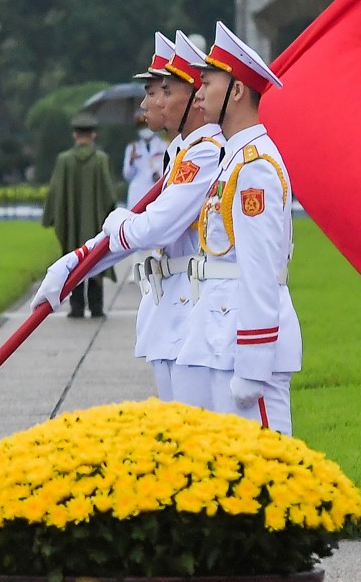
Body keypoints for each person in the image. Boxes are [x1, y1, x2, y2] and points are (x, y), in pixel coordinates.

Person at [34, 34, 223, 397]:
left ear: (191, 97)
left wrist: (117, 221)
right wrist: (73, 267)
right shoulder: (184, 152)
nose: (148, 103)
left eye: (159, 92)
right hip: (176, 304)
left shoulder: (205, 153)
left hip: (197, 307)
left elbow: (154, 229)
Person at [175, 23, 301, 434]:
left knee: (266, 474)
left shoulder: (254, 168)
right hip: (219, 332)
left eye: (207, 83)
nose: (198, 93)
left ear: (238, 91)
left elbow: (261, 270)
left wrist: (253, 361)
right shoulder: (234, 160)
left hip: (244, 341)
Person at [41, 111, 118, 318]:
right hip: (96, 222)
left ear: (75, 135)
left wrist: (49, 217)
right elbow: (109, 194)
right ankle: (96, 306)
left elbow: (55, 192)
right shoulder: (101, 160)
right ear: (93, 135)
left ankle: (76, 307)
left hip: (72, 221)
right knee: (96, 259)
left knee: (72, 258)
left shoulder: (64, 160)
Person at [122, 121, 166, 208]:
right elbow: (127, 175)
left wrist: (160, 174)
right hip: (138, 192)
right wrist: (131, 160)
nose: (145, 130)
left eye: (146, 126)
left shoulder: (163, 145)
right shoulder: (132, 147)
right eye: (141, 127)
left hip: (157, 188)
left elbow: (168, 166)